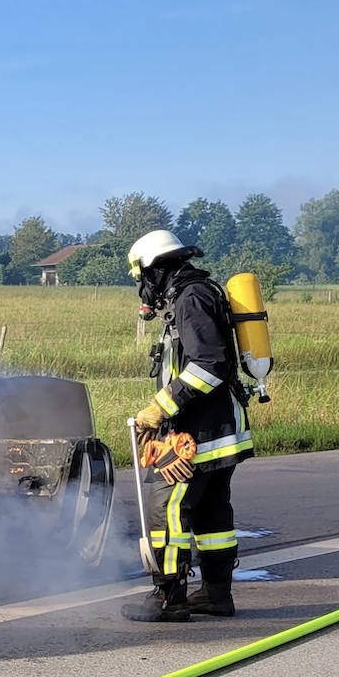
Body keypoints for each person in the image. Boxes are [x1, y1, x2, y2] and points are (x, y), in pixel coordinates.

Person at [123, 228, 255, 622]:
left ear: (155, 269)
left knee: (166, 509)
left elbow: (209, 365)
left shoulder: (190, 299)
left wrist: (159, 408)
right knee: (212, 515)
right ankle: (216, 595)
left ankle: (168, 598)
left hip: (196, 435)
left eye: (142, 277)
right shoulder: (199, 293)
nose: (143, 288)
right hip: (220, 432)